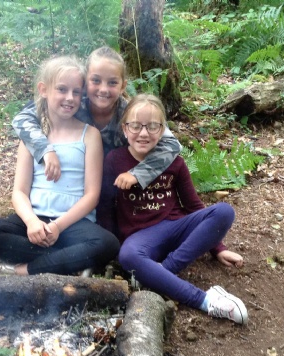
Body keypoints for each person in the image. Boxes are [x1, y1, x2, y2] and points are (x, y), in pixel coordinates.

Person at [97, 94, 248, 325]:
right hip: (141, 238)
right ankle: (205, 301)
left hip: (176, 228)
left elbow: (194, 205)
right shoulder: (114, 160)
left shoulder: (174, 162)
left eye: (152, 126)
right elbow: (106, 208)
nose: (144, 133)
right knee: (128, 255)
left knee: (224, 212)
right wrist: (114, 248)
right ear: (125, 129)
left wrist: (218, 248)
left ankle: (163, 271)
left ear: (162, 130)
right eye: (136, 126)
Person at [0, 55, 120, 276]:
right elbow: (19, 192)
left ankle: (21, 269)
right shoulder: (32, 137)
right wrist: (31, 221)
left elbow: (91, 196)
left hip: (72, 223)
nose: (69, 98)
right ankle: (68, 260)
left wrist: (58, 226)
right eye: (62, 89)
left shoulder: (89, 135)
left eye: (76, 92)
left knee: (107, 244)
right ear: (44, 90)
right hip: (35, 218)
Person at [12, 46, 181, 191]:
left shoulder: (131, 113)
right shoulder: (74, 104)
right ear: (85, 83)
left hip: (120, 188)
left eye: (112, 83)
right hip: (75, 186)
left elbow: (172, 144)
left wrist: (137, 174)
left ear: (123, 86)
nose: (103, 89)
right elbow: (22, 119)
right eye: (96, 80)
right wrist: (45, 150)